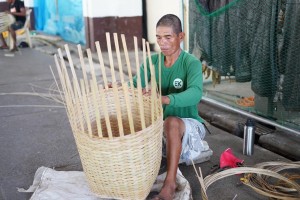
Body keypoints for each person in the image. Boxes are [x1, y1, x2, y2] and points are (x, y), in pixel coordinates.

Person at [133, 14, 206, 200]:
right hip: (163, 127)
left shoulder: (191, 63)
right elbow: (135, 84)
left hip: (190, 126)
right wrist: (116, 87)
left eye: (168, 37)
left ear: (180, 37)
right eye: (158, 38)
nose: (162, 43)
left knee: (172, 122)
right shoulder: (153, 62)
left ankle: (170, 184)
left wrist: (165, 99)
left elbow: (196, 93)